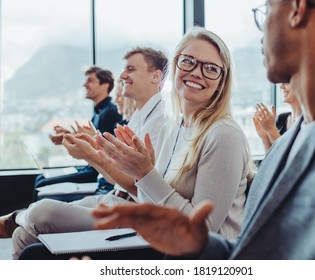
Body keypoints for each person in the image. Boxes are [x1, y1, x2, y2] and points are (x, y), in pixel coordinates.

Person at [92, 0, 315, 259]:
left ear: (297, 9)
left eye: (266, 11)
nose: (261, 32)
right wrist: (198, 245)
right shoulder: (283, 146)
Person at [19, 26, 254, 260]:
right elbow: (150, 198)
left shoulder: (223, 135)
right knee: (27, 239)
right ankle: (20, 219)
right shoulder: (175, 126)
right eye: (188, 61)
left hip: (193, 256)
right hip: (159, 236)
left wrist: (144, 174)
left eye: (211, 68)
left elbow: (201, 230)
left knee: (36, 245)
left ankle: (18, 217)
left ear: (222, 81)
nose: (197, 72)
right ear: (174, 66)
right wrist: (139, 175)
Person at [0, 47, 169, 260]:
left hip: (131, 207)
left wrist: (91, 154)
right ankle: (21, 219)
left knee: (41, 212)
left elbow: (141, 185)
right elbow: (119, 166)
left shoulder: (161, 122)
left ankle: (17, 217)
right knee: (22, 235)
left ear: (155, 76)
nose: (122, 76)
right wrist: (90, 146)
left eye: (131, 69)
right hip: (112, 197)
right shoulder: (139, 118)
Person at [34, 66, 122, 194]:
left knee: (42, 182)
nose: (85, 84)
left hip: (97, 171)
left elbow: (103, 148)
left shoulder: (109, 112)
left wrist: (73, 137)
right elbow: (94, 139)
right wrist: (69, 136)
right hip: (90, 167)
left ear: (105, 85)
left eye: (90, 81)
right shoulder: (99, 112)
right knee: (40, 178)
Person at [253, 82, 301, 152]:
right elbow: (271, 159)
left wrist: (271, 130)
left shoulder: (308, 123)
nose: (281, 86)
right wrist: (265, 136)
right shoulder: (282, 118)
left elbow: (291, 160)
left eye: (286, 82)